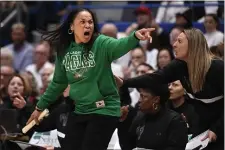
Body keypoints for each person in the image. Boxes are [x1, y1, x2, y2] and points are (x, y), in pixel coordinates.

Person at [26, 8, 155, 150]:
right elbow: (57, 83)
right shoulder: (64, 50)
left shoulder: (101, 43)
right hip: (81, 109)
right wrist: (39, 107)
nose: (88, 25)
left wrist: (134, 37)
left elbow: (119, 45)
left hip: (105, 109)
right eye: (82, 22)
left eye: (90, 22)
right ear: (71, 26)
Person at [123, 28, 224, 150]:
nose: (174, 45)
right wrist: (124, 82)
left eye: (179, 41)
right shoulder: (179, 66)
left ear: (192, 44)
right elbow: (154, 78)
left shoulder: (217, 68)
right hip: (202, 124)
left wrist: (217, 128)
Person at [128, 80, 188, 150]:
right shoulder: (140, 116)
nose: (139, 100)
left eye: (143, 96)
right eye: (140, 96)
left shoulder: (174, 120)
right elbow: (128, 144)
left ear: (156, 99)